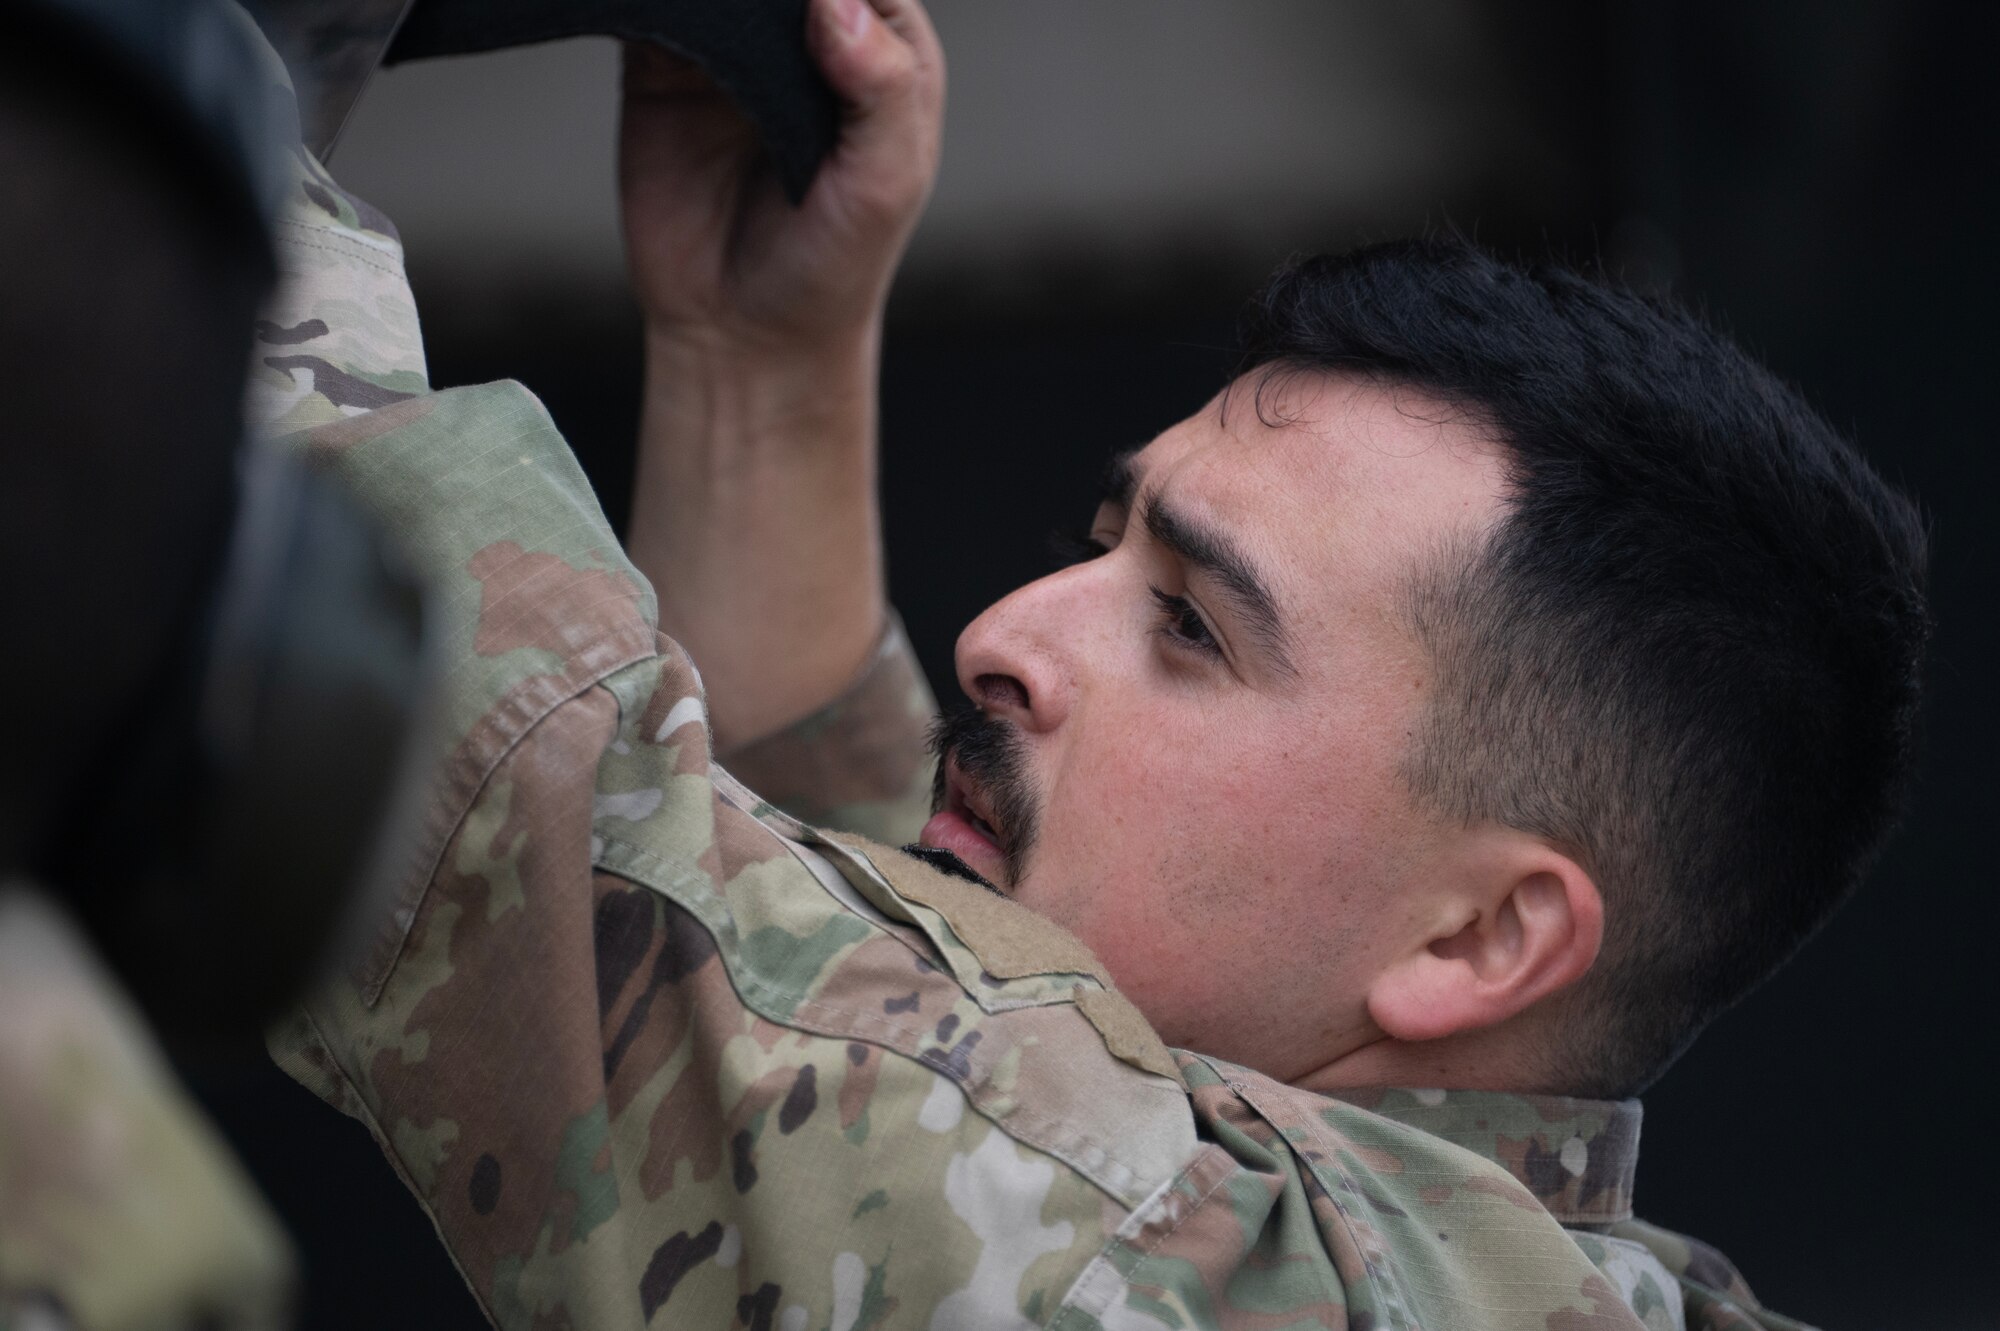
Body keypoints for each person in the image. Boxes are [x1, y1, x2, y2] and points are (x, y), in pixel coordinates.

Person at [269, 0, 1927, 1326]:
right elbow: (859, 968)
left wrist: (204, 124)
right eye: (1102, 544)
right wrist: (760, 365)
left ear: (1481, 938)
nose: (1002, 632)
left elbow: (554, 826)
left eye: (1192, 627)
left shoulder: (1194, 1279)